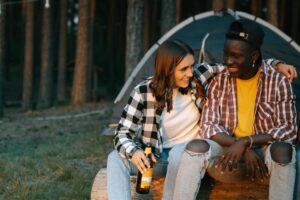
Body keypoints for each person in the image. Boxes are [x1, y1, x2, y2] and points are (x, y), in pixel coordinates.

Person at [106, 38, 296, 200]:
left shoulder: (199, 76)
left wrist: (276, 64)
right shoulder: (143, 92)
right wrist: (133, 152)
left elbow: (242, 63)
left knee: (178, 153)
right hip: (154, 156)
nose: (190, 72)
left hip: (189, 154)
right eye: (183, 69)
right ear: (167, 69)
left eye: (191, 65)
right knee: (115, 157)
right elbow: (122, 132)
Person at [167, 19, 297, 200]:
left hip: (264, 155)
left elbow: (288, 128)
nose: (229, 61)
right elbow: (209, 125)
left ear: (253, 56)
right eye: (226, 54)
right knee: (196, 147)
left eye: (236, 56)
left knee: (283, 150)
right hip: (227, 153)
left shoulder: (278, 81)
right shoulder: (220, 80)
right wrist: (240, 146)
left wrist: (246, 142)